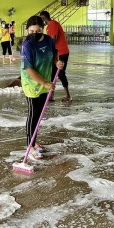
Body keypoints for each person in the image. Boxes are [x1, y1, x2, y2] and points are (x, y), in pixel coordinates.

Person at [20, 15, 64, 159]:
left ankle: (34, 141)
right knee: (33, 114)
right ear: (27, 30)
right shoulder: (27, 45)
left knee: (39, 114)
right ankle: (29, 145)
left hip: (45, 81)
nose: (34, 33)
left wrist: (57, 62)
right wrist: (44, 82)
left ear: (42, 29)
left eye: (38, 30)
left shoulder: (48, 40)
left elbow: (54, 54)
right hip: (31, 83)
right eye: (31, 31)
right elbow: (29, 69)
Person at [39, 11, 72, 102]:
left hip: (62, 52)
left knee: (60, 73)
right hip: (55, 53)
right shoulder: (48, 27)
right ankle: (51, 95)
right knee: (53, 74)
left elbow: (53, 40)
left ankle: (68, 96)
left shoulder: (53, 24)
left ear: (44, 19)